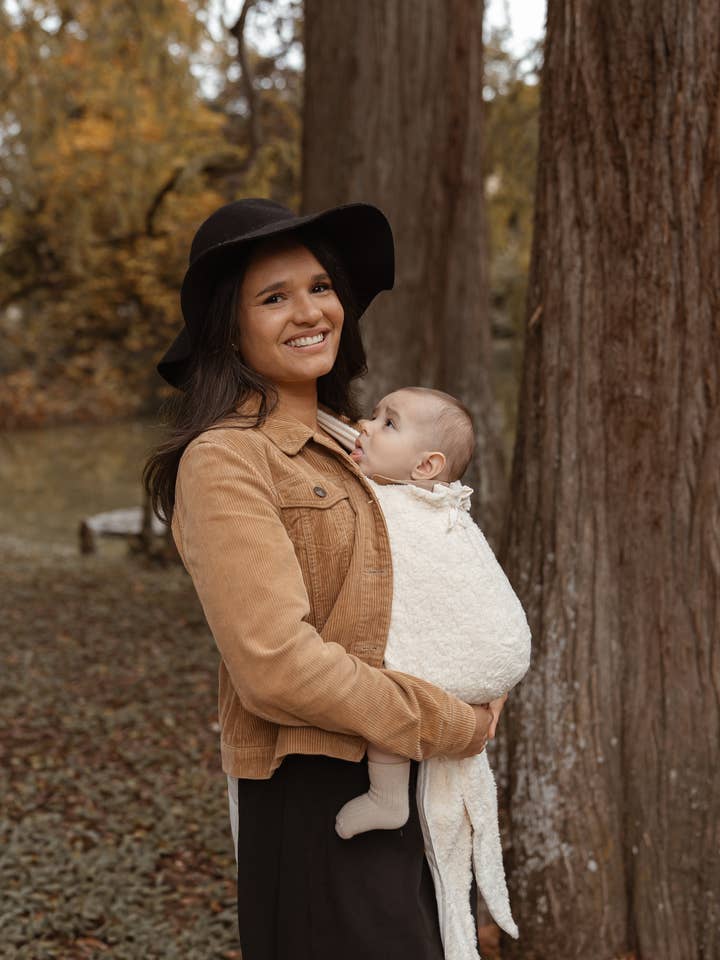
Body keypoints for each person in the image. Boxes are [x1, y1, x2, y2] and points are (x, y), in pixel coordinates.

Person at [144, 198, 500, 960]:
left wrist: (485, 672)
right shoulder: (226, 459)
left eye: (320, 286)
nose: (309, 311)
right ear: (229, 328)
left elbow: (434, 578)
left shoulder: (357, 445)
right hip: (316, 793)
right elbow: (275, 664)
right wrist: (453, 720)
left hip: (418, 783)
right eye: (274, 297)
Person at [322, 386, 531, 960]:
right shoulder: (443, 506)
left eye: (387, 423)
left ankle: (386, 793)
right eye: (372, 415)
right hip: (500, 657)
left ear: (425, 466)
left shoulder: (383, 502)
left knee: (391, 681)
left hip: (473, 655)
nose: (366, 426)